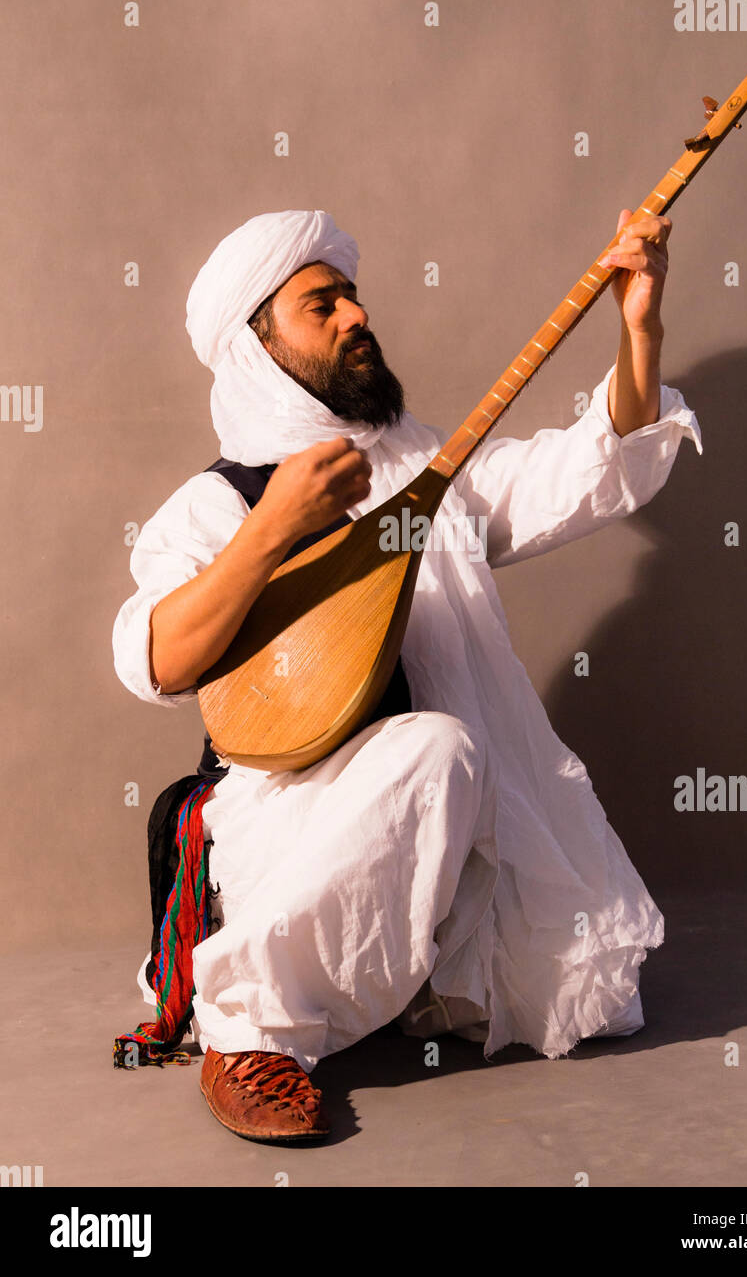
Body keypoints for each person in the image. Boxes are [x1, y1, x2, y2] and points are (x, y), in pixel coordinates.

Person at [112, 207, 702, 1144]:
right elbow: (153, 657)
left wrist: (641, 328)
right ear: (257, 349)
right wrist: (274, 530)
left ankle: (385, 965)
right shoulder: (214, 505)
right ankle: (247, 1030)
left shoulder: (422, 467)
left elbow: (586, 473)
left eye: (352, 295)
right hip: (292, 825)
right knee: (437, 745)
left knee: (591, 995)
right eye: (322, 303)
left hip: (443, 822)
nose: (356, 314)